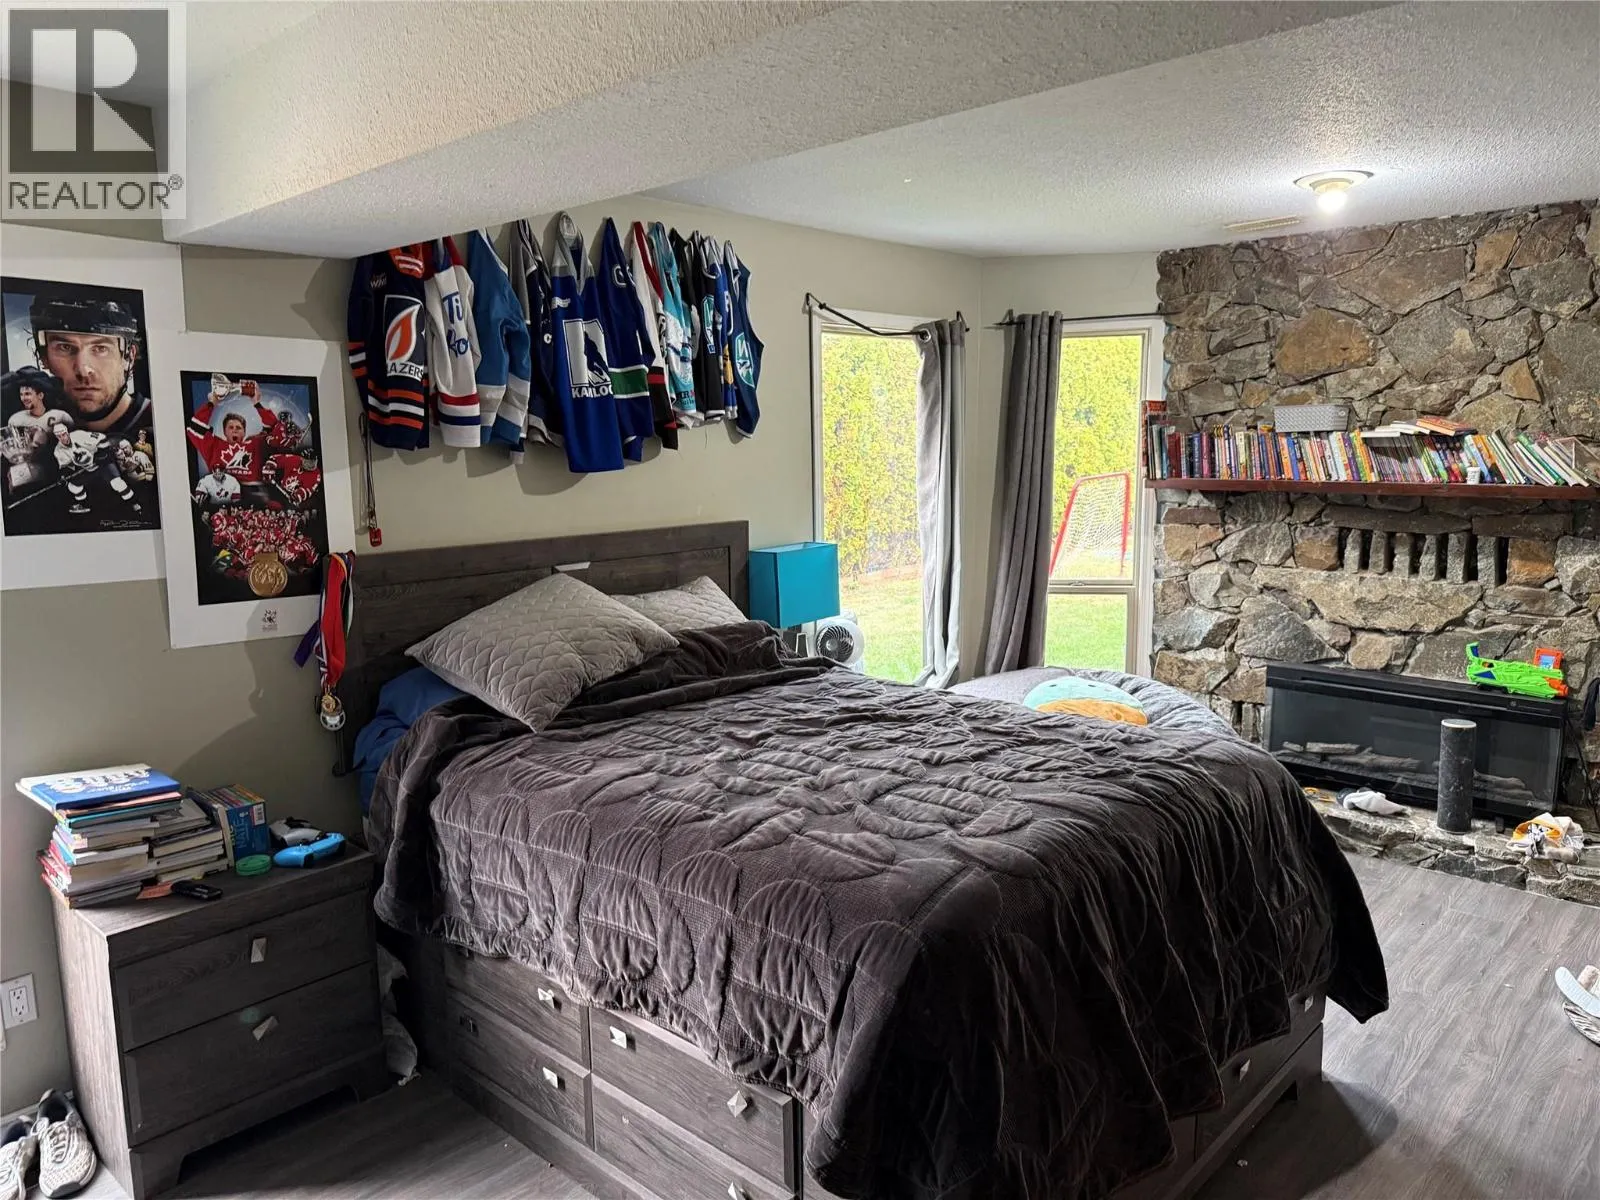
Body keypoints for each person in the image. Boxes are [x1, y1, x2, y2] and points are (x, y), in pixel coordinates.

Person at [29, 295, 151, 437]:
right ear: (44, 357)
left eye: (100, 348)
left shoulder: (160, 422)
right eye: (65, 347)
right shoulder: (37, 431)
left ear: (129, 356)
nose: (83, 370)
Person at [186, 377, 280, 489]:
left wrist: (257, 403)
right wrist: (212, 403)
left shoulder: (255, 444)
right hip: (223, 492)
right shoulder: (214, 446)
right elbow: (194, 428)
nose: (234, 429)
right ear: (224, 432)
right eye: (230, 427)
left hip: (255, 492)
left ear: (244, 432)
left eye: (238, 428)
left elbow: (275, 429)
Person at [51, 422, 141, 516]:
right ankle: (82, 504)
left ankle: (134, 503)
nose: (63, 438)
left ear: (67, 432)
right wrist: (64, 477)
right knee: (72, 486)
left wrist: (101, 455)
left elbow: (102, 438)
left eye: (64, 434)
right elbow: (67, 467)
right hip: (86, 468)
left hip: (103, 463)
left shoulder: (79, 435)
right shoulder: (58, 451)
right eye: (59, 436)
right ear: (56, 437)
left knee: (117, 483)